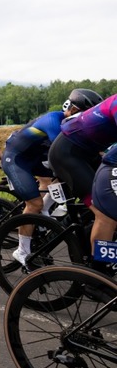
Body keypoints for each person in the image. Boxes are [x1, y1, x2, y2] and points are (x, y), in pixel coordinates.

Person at [4, 89, 102, 265]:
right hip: (16, 159)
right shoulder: (53, 121)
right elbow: (65, 151)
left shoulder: (73, 123)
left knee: (58, 181)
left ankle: (44, 212)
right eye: (84, 115)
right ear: (72, 110)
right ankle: (22, 250)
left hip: (36, 159)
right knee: (34, 203)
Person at [49, 93, 117, 267]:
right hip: (68, 154)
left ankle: (89, 241)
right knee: (107, 215)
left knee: (102, 208)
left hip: (87, 153)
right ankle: (98, 271)